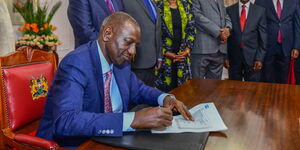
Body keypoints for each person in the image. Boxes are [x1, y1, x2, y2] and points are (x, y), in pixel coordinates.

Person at [36, 12, 194, 148]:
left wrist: (165, 98)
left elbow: (139, 89)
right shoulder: (76, 63)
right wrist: (133, 119)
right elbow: (65, 121)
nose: (132, 52)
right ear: (107, 34)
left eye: (136, 45)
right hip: (77, 144)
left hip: (111, 139)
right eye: (128, 42)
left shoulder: (120, 63)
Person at [154, 0, 196, 92]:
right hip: (165, 58)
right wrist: (165, 53)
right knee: (166, 92)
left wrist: (187, 49)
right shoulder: (158, 5)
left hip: (182, 57)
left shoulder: (187, 5)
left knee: (183, 92)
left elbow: (192, 29)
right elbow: (154, 32)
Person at [255, 0, 300, 83]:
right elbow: (257, 26)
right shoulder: (260, 2)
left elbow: (297, 25)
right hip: (267, 46)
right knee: (266, 78)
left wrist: (296, 46)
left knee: (283, 79)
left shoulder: (294, 1)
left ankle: (282, 95)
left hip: (286, 47)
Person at [224, 0, 267, 82]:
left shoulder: (260, 11)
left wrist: (259, 58)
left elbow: (263, 38)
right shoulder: (229, 10)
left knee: (252, 90)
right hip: (233, 58)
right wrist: (225, 57)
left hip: (253, 59)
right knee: (233, 89)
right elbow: (226, 37)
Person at [123, 0, 162, 87]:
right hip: (136, 63)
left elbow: (157, 30)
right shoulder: (125, 2)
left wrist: (159, 56)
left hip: (152, 63)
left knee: (149, 98)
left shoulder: (152, 2)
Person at [191, 0, 232, 79]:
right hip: (202, 49)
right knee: (197, 86)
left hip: (220, 49)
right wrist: (219, 32)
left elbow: (225, 16)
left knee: (215, 87)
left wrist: (228, 29)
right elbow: (197, 16)